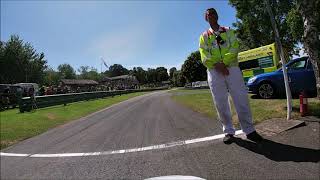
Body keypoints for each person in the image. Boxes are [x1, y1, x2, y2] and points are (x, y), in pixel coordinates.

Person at [199, 8, 263, 144]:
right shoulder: (204, 36)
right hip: (214, 71)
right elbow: (204, 55)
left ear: (217, 16)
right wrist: (217, 65)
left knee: (241, 98)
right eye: (208, 15)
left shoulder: (228, 31)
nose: (211, 16)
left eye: (213, 14)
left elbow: (235, 47)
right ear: (206, 18)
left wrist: (225, 63)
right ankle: (228, 131)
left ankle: (249, 130)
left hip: (232, 68)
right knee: (220, 102)